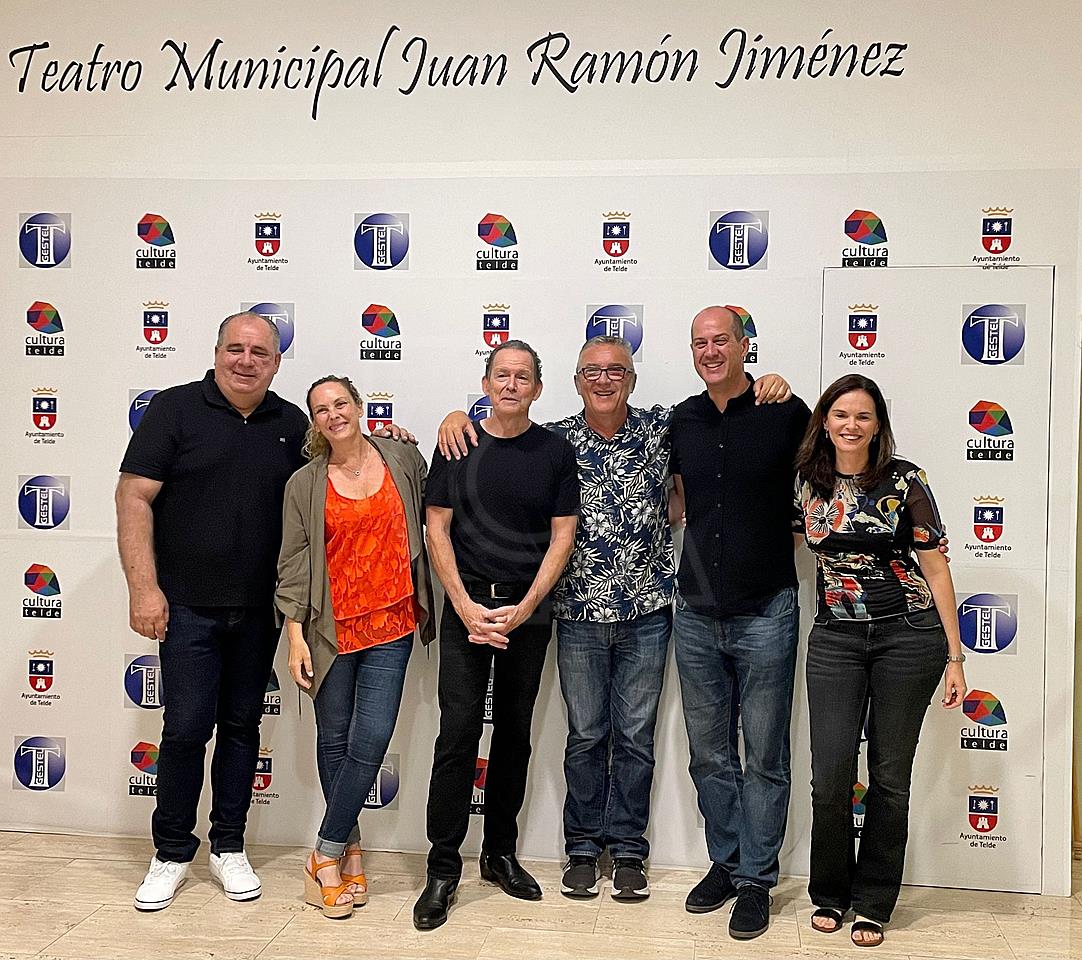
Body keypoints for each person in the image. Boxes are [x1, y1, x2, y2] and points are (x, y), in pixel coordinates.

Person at [437, 336, 791, 902]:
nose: (604, 380)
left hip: (647, 612)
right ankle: (581, 848)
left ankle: (628, 850)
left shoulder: (662, 428)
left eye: (616, 371)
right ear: (575, 382)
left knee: (634, 738)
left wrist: (766, 383)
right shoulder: (555, 441)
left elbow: (719, 428)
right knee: (585, 736)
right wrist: (455, 416)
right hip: (577, 610)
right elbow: (501, 436)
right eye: (592, 372)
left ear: (631, 378)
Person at [117, 312, 309, 911]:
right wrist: (143, 589)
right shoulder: (174, 409)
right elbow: (133, 496)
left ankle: (229, 846)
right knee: (185, 729)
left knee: (243, 728)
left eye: (260, 353)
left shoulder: (292, 423)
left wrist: (396, 438)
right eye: (235, 349)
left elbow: (341, 466)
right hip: (186, 608)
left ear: (276, 363)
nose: (246, 361)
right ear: (217, 351)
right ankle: (172, 852)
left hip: (258, 610)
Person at [793, 374, 966, 948]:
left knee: (889, 778)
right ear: (825, 421)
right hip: (834, 641)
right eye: (840, 414)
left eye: (862, 416)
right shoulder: (806, 481)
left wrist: (956, 656)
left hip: (908, 637)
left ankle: (873, 902)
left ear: (877, 426)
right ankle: (830, 893)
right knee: (829, 777)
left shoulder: (905, 480)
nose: (851, 425)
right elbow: (786, 542)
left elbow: (936, 566)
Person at [412, 340, 580, 930]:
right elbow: (436, 529)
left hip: (526, 612)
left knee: (513, 734)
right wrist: (464, 606)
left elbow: (563, 536)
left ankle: (499, 854)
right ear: (486, 383)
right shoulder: (456, 443)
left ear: (537, 388)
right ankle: (442, 868)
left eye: (523, 377)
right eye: (502, 375)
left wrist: (525, 607)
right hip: (466, 609)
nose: (511, 385)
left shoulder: (554, 451)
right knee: (457, 734)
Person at [669, 305, 811, 940]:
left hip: (766, 610)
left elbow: (831, 476)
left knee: (766, 755)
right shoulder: (683, 419)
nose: (710, 351)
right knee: (709, 755)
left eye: (720, 340)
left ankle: (757, 880)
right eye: (699, 342)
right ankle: (726, 864)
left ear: (744, 345)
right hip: (696, 612)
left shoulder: (785, 411)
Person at [275, 375, 435, 919]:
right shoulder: (304, 483)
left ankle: (323, 853)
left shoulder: (402, 458)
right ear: (314, 422)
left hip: (393, 623)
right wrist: (295, 636)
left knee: (371, 738)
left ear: (359, 406)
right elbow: (294, 563)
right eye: (321, 410)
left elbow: (438, 509)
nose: (333, 415)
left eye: (340, 403)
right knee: (334, 740)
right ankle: (350, 853)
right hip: (330, 631)